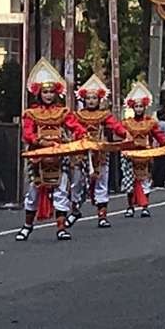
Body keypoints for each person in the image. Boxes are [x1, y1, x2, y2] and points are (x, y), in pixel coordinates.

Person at [15, 59, 87, 242]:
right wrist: (41, 142)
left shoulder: (63, 112)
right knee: (33, 193)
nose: (48, 95)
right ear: (39, 93)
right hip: (38, 158)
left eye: (51, 92)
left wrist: (82, 137)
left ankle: (61, 228)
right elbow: (28, 134)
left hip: (59, 156)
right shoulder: (31, 113)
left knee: (61, 191)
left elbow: (75, 127)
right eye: (45, 92)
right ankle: (27, 226)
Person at [69, 74, 129, 228]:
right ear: (83, 99)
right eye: (88, 98)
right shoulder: (78, 116)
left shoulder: (104, 115)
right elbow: (73, 128)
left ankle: (102, 216)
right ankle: (75, 210)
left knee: (102, 183)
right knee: (76, 183)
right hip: (81, 155)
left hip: (100, 154)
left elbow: (116, 126)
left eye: (94, 98)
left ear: (99, 99)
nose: (91, 101)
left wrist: (125, 134)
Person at [120, 82, 165, 217]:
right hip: (130, 154)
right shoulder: (127, 123)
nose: (138, 109)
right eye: (136, 106)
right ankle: (130, 206)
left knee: (145, 180)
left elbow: (158, 135)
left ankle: (145, 206)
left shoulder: (150, 122)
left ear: (144, 107)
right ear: (132, 107)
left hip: (145, 154)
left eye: (140, 106)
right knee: (129, 181)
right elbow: (119, 135)